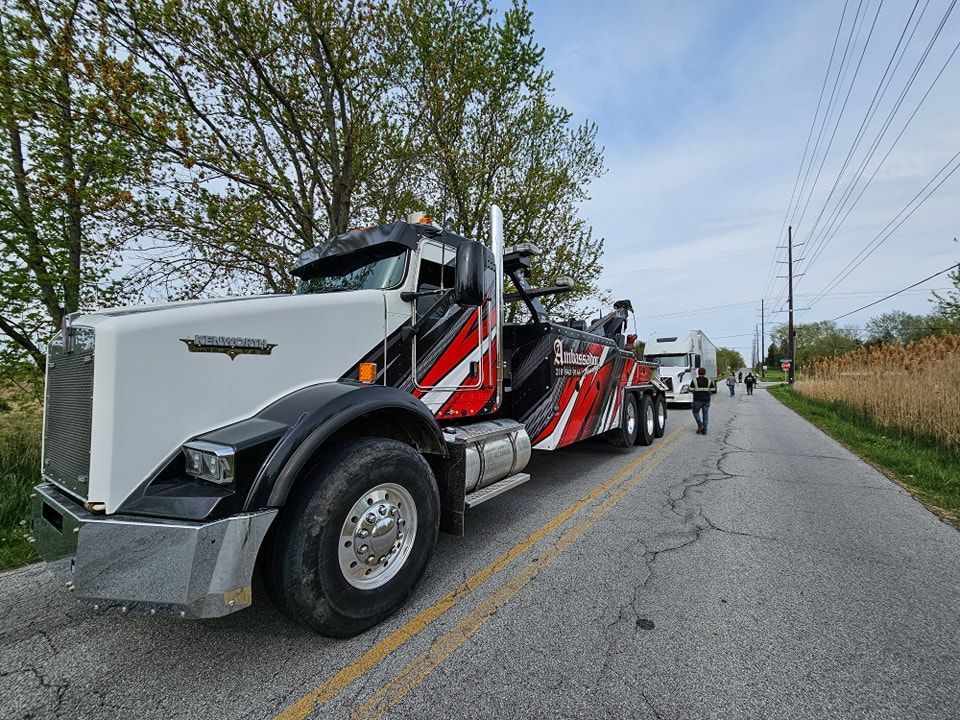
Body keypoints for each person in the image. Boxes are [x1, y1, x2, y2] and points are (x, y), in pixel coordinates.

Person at [689, 367, 716, 435]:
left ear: (698, 373)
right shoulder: (709, 380)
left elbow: (690, 389)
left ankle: (700, 425)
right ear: (705, 373)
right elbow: (713, 390)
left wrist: (695, 390)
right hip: (706, 400)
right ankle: (704, 431)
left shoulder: (694, 380)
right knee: (705, 415)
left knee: (695, 412)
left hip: (697, 400)